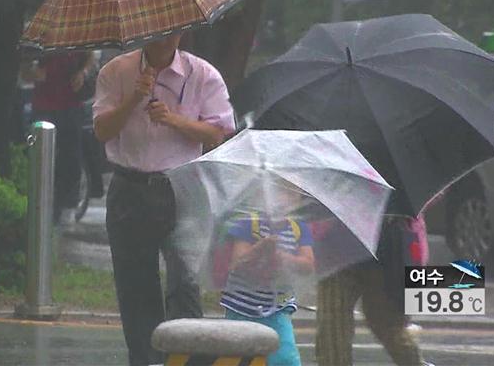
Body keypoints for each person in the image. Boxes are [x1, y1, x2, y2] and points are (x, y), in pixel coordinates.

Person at [93, 32, 235, 366]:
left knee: (184, 281)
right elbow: (101, 130)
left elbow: (218, 132)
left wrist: (173, 119)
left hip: (182, 187)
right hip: (130, 186)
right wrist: (133, 100)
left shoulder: (202, 74)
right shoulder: (116, 72)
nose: (162, 40)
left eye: (170, 33)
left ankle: (187, 359)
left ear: (181, 33)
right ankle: (145, 359)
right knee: (135, 285)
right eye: (155, 34)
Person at [316, 192, 428, 366]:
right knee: (332, 331)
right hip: (337, 249)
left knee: (390, 326)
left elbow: (425, 191)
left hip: (388, 248)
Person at [219, 204, 314, 366]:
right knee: (237, 357)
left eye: (290, 195)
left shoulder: (298, 227)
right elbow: (237, 263)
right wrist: (260, 247)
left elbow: (308, 265)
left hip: (278, 307)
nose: (283, 200)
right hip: (241, 306)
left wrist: (283, 256)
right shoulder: (248, 223)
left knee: (285, 358)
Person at [28, 50, 94, 225]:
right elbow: (26, 67)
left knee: (71, 157)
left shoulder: (77, 33)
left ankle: (68, 204)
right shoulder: (42, 34)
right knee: (41, 157)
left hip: (70, 105)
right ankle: (42, 203)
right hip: (43, 105)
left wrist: (82, 72)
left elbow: (89, 56)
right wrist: (33, 70)